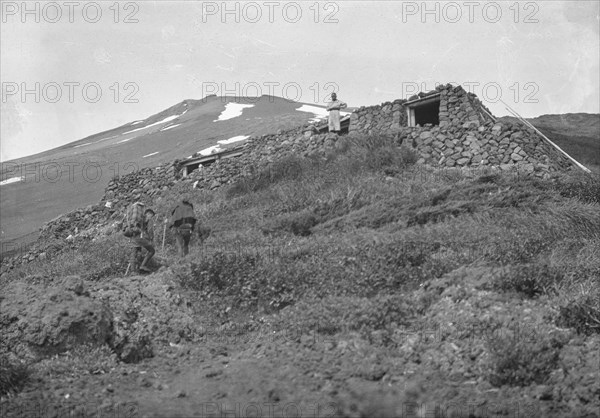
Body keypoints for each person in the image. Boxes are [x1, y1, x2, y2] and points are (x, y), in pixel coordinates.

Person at [125, 202, 156, 273]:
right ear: (149, 213)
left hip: (133, 235)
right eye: (151, 215)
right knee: (152, 251)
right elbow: (150, 231)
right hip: (140, 238)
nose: (151, 217)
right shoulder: (145, 219)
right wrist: (151, 239)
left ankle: (133, 271)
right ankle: (143, 266)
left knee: (135, 252)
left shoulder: (137, 219)